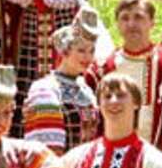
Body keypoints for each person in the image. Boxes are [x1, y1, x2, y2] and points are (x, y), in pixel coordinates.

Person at [94, 0, 162, 151]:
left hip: (160, 154)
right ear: (117, 24)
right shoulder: (104, 66)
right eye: (125, 18)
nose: (131, 24)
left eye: (138, 17)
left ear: (152, 22)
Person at [24, 10, 105, 155]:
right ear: (65, 52)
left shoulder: (86, 89)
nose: (87, 57)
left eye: (91, 51)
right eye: (81, 50)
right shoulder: (45, 89)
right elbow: (47, 151)